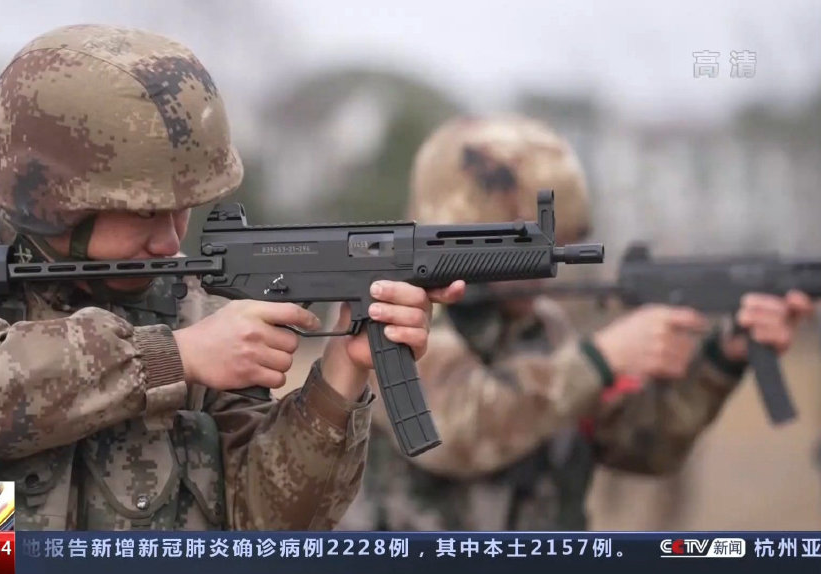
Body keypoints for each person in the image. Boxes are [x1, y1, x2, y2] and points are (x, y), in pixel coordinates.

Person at [0, 22, 467, 544]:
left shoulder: (191, 305)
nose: (171, 239)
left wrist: (342, 377)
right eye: (148, 213)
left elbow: (263, 523)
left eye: (185, 210)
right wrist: (169, 359)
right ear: (56, 202)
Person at [338, 115, 814, 531]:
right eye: (523, 245)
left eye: (557, 243)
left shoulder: (543, 328)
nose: (546, 269)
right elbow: (458, 430)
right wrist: (600, 360)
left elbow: (642, 447)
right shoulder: (392, 316)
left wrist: (721, 359)